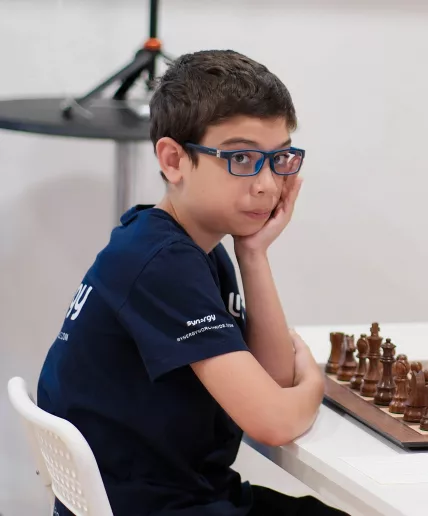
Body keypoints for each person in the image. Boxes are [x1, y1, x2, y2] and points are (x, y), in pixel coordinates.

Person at [37, 49, 347, 515]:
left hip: (188, 496)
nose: (267, 184)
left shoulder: (198, 250)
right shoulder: (158, 262)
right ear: (174, 159)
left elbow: (273, 379)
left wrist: (254, 253)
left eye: (280, 158)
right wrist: (316, 384)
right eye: (242, 157)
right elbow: (274, 421)